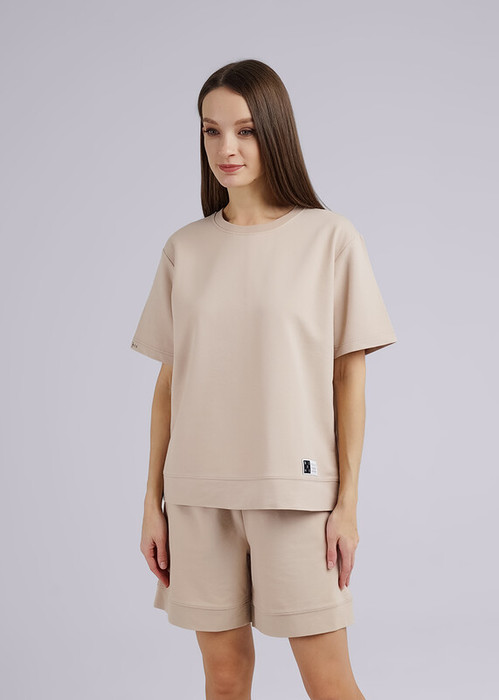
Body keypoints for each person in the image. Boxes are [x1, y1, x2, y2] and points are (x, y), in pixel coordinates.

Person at [130, 59, 397, 700]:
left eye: (245, 130)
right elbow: (169, 385)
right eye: (211, 131)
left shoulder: (330, 238)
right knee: (224, 679)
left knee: (329, 683)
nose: (227, 148)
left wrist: (347, 505)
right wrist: (152, 503)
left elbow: (348, 378)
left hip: (296, 495)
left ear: (274, 131)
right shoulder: (185, 248)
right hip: (197, 497)